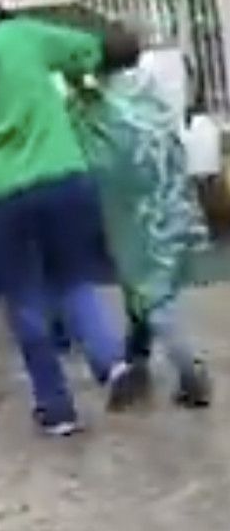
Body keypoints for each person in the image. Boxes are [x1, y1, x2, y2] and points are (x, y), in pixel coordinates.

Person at [0, 0, 141, 435]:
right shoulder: (25, 36)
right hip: (61, 173)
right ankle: (111, 361)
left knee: (24, 296)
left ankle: (56, 407)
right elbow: (90, 50)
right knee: (73, 278)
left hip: (3, 190)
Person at [68, 54, 212, 407]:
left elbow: (88, 151)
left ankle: (189, 371)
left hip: (130, 212)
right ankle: (136, 356)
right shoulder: (151, 92)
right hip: (168, 204)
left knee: (152, 294)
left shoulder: (99, 108)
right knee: (144, 286)